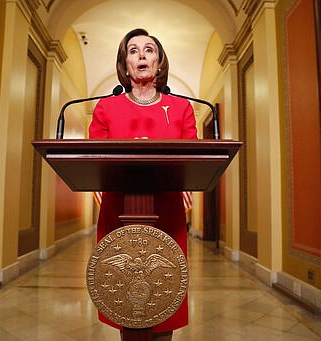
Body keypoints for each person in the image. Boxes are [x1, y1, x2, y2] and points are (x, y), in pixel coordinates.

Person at [89, 28, 197, 341]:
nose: (141, 55)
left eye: (149, 50)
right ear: (124, 64)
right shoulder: (106, 109)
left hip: (166, 212)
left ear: (159, 62)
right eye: (133, 50)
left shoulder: (181, 108)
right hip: (120, 213)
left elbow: (191, 161)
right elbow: (96, 161)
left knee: (166, 289)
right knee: (126, 294)